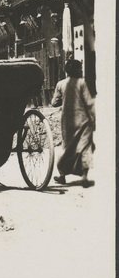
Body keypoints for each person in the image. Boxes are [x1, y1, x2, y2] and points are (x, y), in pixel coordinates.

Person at [52, 59, 96, 187]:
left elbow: (54, 103)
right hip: (83, 121)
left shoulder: (60, 84)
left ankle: (62, 176)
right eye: (80, 68)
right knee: (84, 148)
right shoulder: (83, 83)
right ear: (76, 70)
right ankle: (84, 177)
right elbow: (89, 102)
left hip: (67, 122)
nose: (81, 70)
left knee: (67, 147)